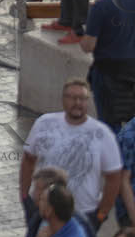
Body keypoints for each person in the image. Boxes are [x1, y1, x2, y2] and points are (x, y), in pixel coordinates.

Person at [21, 80, 123, 229]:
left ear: (88, 101)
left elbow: (114, 178)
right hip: (44, 211)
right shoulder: (44, 123)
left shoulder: (103, 134)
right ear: (63, 99)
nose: (77, 103)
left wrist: (101, 214)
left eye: (82, 98)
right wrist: (25, 197)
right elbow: (28, 160)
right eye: (71, 97)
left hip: (83, 215)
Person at [81, 0, 135, 130]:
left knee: (109, 125)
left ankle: (114, 155)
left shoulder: (101, 7)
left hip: (108, 74)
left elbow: (88, 45)